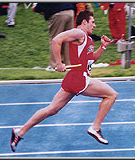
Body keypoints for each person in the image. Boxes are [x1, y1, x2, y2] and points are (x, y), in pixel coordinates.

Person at [10, 10, 118, 152]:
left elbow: (91, 60)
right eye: (93, 22)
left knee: (52, 109)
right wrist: (59, 63)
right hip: (79, 78)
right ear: (84, 22)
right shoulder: (78, 33)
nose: (95, 25)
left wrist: (103, 46)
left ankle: (19, 132)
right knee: (111, 95)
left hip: (74, 78)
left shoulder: (88, 39)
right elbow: (56, 40)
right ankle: (95, 128)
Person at [32, 3, 77, 71]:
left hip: (58, 13)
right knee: (68, 40)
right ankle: (68, 64)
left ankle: (54, 65)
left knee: (55, 40)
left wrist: (36, 8)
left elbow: (41, 5)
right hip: (71, 11)